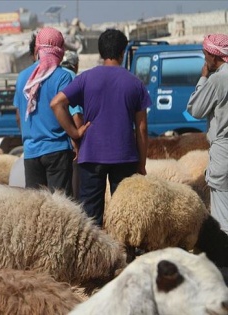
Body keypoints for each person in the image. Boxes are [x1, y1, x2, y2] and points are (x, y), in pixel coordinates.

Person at [50, 29, 150, 226]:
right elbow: (142, 129)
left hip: (91, 154)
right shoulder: (135, 83)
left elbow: (56, 103)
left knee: (90, 217)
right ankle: (125, 254)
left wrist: (74, 132)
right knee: (125, 215)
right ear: (122, 52)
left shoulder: (85, 78)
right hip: (125, 156)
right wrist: (142, 163)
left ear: (100, 52)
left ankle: (93, 255)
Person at [13, 27, 75, 196]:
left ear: (37, 48)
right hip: (57, 150)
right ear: (60, 48)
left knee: (35, 209)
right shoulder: (64, 76)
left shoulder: (22, 77)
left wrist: (29, 137)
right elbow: (71, 111)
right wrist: (76, 136)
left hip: (31, 152)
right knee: (61, 208)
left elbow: (19, 116)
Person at [187, 34, 228, 235]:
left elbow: (195, 109)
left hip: (223, 153)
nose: (205, 60)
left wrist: (203, 78)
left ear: (214, 55)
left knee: (222, 215)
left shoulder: (218, 79)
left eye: (206, 55)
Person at [61, 50, 84, 199]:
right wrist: (79, 141)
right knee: (74, 192)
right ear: (75, 65)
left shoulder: (52, 74)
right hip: (70, 142)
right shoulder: (71, 78)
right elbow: (75, 113)